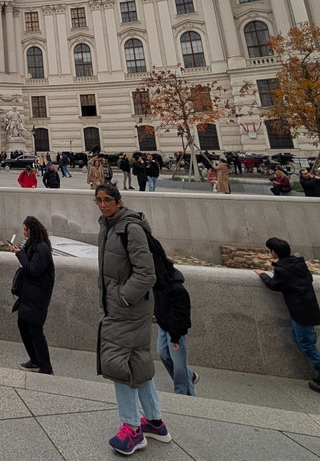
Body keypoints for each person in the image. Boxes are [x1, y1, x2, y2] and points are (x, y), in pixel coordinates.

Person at [95, 183, 170, 453]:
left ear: (119, 201)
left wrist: (122, 298)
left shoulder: (130, 228)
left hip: (128, 309)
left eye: (107, 200)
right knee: (137, 361)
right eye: (98, 200)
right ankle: (155, 422)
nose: (103, 205)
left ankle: (132, 429)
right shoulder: (108, 226)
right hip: (126, 307)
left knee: (118, 363)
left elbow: (146, 273)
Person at [254, 237, 320, 399]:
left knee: (307, 346)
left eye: (270, 250)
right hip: (308, 310)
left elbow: (274, 285)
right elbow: (306, 279)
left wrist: (263, 275)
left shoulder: (283, 270)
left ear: (274, 252)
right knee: (299, 339)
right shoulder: (298, 264)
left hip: (301, 313)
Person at [10, 215, 54, 375]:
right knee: (23, 324)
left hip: (37, 296)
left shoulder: (42, 248)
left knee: (36, 331)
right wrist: (19, 252)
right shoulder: (33, 244)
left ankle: (46, 367)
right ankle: (35, 360)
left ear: (31, 230)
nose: (24, 232)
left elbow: (33, 270)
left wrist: (19, 255)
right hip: (29, 294)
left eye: (25, 229)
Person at [155, 262, 197, 396]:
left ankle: (183, 394)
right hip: (164, 326)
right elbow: (160, 305)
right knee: (163, 353)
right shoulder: (159, 286)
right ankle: (189, 375)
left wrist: (175, 338)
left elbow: (180, 316)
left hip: (176, 332)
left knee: (179, 364)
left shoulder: (178, 290)